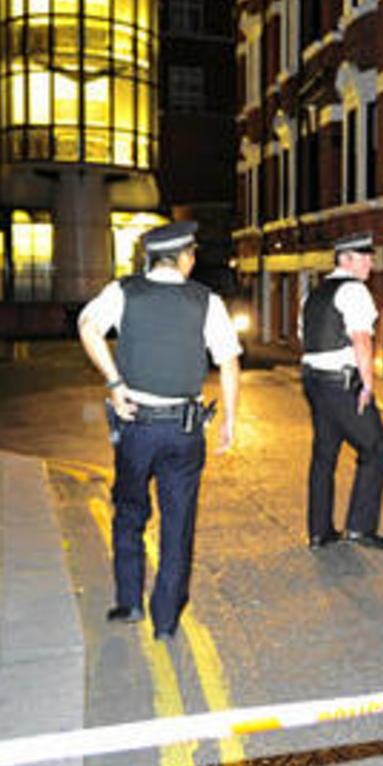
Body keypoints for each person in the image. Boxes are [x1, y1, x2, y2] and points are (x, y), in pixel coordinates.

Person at [78, 221, 241, 640]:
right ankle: (166, 621)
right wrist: (230, 419)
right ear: (185, 257)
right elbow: (228, 361)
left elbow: (87, 327)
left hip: (136, 424)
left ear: (150, 259)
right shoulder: (206, 301)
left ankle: (129, 601)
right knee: (178, 523)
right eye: (192, 255)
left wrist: (115, 383)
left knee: (129, 512)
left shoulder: (124, 291)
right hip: (185, 431)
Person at [300, 231, 383, 551]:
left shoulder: (314, 294)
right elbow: (361, 339)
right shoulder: (354, 291)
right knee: (374, 449)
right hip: (342, 384)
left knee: (324, 455)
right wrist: (368, 384)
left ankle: (319, 531)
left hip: (314, 381)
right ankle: (359, 527)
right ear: (345, 259)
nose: (370, 264)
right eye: (364, 258)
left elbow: (305, 337)